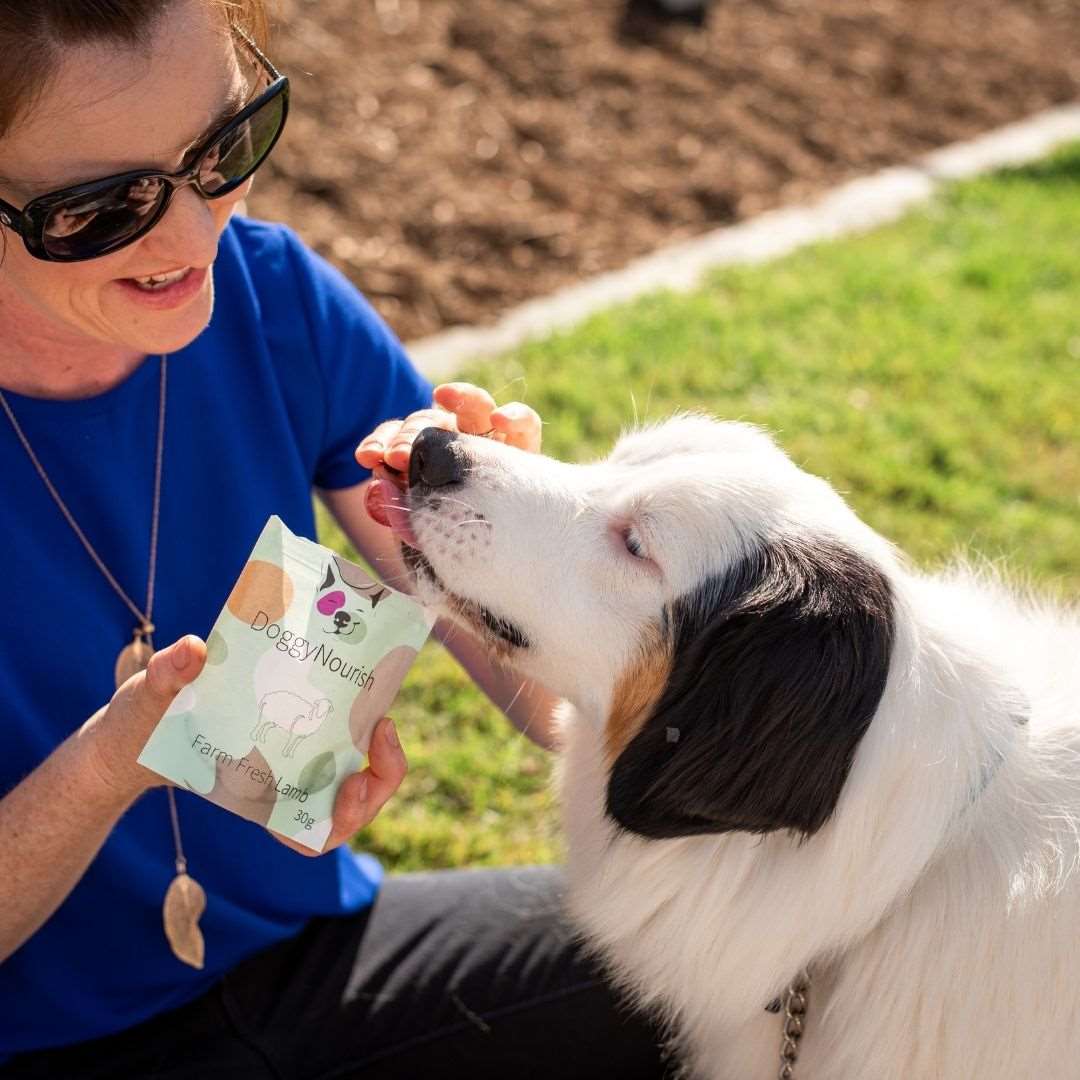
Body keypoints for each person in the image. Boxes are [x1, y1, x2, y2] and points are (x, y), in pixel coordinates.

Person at [0, 1, 673, 1076]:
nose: (194, 234)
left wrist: (510, 559)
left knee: (746, 987)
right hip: (40, 1044)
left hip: (308, 962)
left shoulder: (273, 301)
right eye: (100, 208)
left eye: (224, 146)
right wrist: (113, 764)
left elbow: (552, 708)